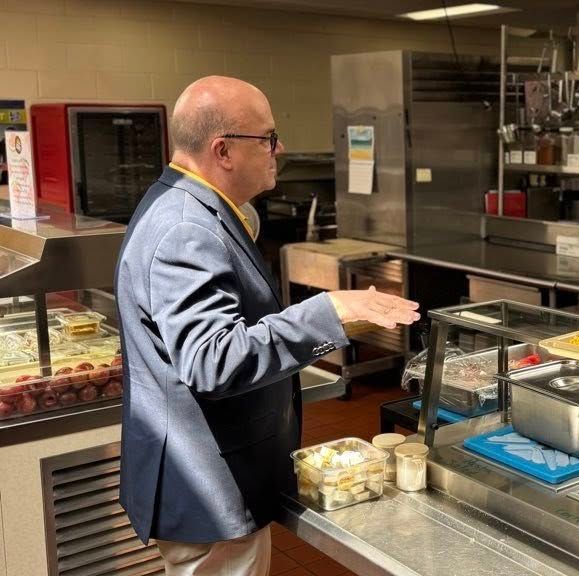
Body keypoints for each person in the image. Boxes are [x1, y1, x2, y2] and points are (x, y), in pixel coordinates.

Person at [115, 76, 421, 575]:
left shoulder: (189, 204)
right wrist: (330, 312)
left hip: (210, 476)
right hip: (208, 483)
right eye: (268, 138)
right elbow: (211, 361)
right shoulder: (186, 229)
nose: (280, 148)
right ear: (224, 151)